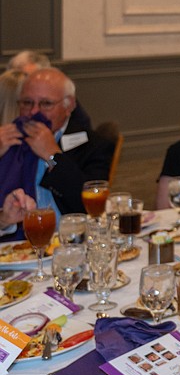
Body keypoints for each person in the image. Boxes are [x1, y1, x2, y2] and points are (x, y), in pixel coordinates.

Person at [0, 68, 114, 236]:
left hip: (68, 243)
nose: (33, 112)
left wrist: (52, 156)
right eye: (27, 103)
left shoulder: (93, 145)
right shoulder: (8, 140)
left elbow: (89, 206)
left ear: (69, 106)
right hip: (13, 249)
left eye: (46, 104)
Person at [5, 50, 92, 131]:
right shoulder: (6, 101)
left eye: (28, 77)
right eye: (16, 76)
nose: (22, 84)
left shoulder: (67, 104)